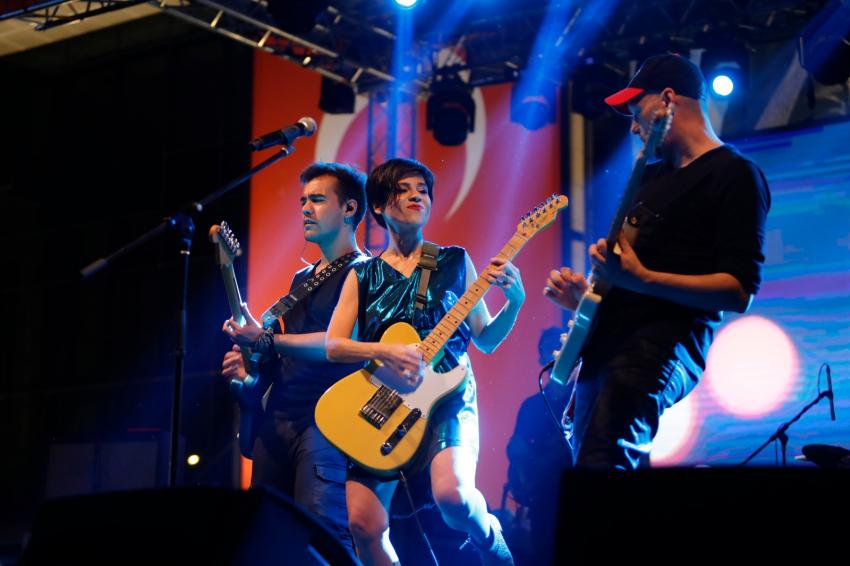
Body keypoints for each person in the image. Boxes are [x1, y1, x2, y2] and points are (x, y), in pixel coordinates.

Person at [544, 53, 771, 470]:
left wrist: (641, 278)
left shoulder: (735, 173)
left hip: (660, 346)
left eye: (637, 112)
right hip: (607, 348)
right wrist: (586, 299)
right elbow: (626, 278)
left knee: (604, 460)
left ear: (667, 99)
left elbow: (739, 291)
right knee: (591, 468)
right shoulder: (648, 178)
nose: (633, 127)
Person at [325, 158, 524, 566]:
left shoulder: (454, 261)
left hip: (447, 398)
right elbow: (334, 345)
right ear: (378, 206)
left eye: (423, 190)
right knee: (363, 525)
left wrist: (516, 302)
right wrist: (384, 351)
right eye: (404, 189)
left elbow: (485, 339)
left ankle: (490, 538)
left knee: (455, 499)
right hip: (384, 403)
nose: (418, 196)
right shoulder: (362, 276)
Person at [220, 162, 369, 550]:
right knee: (267, 539)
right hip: (278, 421)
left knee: (321, 539)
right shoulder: (302, 279)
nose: (305, 208)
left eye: (317, 200)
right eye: (303, 200)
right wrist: (251, 362)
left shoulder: (366, 272)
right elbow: (284, 350)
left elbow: (337, 344)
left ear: (349, 208)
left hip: (326, 423)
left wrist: (267, 341)